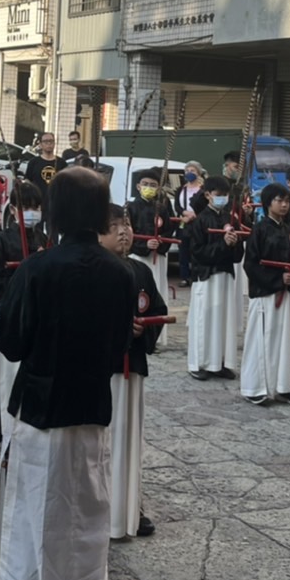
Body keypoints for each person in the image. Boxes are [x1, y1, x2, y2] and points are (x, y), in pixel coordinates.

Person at [0, 166, 135, 580]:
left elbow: (11, 343)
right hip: (90, 410)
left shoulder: (38, 269)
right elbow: (118, 347)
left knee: (34, 528)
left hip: (43, 415)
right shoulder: (120, 273)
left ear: (58, 212)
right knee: (85, 526)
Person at [102, 204, 164, 540]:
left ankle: (129, 503)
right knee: (106, 440)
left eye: (126, 224)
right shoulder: (95, 270)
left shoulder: (141, 271)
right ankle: (104, 506)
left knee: (130, 440)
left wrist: (143, 331)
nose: (123, 231)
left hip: (133, 367)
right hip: (105, 370)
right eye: (114, 227)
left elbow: (157, 308)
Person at [0, 181, 46, 474]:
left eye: (36, 207)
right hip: (9, 320)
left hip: (38, 325)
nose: (31, 212)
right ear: (14, 210)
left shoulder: (45, 239)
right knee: (2, 385)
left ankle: (22, 444)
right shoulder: (1, 240)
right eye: (26, 207)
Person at [241, 184, 290, 407]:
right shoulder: (259, 230)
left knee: (286, 341)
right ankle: (254, 386)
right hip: (265, 293)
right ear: (269, 203)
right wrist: (277, 280)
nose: (285, 204)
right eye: (280, 200)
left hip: (286, 294)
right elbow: (250, 264)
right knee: (261, 339)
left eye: (287, 200)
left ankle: (285, 386)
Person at [186, 175, 243, 381]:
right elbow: (198, 253)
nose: (223, 199)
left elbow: (238, 255)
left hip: (226, 275)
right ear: (208, 195)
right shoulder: (201, 220)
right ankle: (198, 362)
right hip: (207, 276)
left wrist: (235, 243)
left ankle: (219, 362)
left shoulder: (231, 218)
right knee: (204, 319)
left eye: (226, 195)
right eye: (219, 195)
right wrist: (223, 245)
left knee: (223, 321)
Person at [127, 167, 175, 308]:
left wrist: (160, 242)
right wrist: (144, 245)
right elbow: (128, 233)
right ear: (138, 186)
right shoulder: (131, 207)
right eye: (145, 184)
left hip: (158, 257)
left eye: (153, 185)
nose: (148, 187)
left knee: (158, 289)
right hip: (138, 256)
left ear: (158, 188)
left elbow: (168, 229)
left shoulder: (161, 208)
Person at [174, 163, 206, 286]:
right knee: (183, 250)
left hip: (198, 222)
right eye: (187, 170)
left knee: (196, 249)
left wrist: (195, 215)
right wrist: (184, 213)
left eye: (192, 170)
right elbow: (177, 205)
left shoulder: (203, 189)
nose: (189, 173)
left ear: (198, 172)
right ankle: (184, 276)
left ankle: (196, 275)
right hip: (184, 222)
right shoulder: (181, 189)